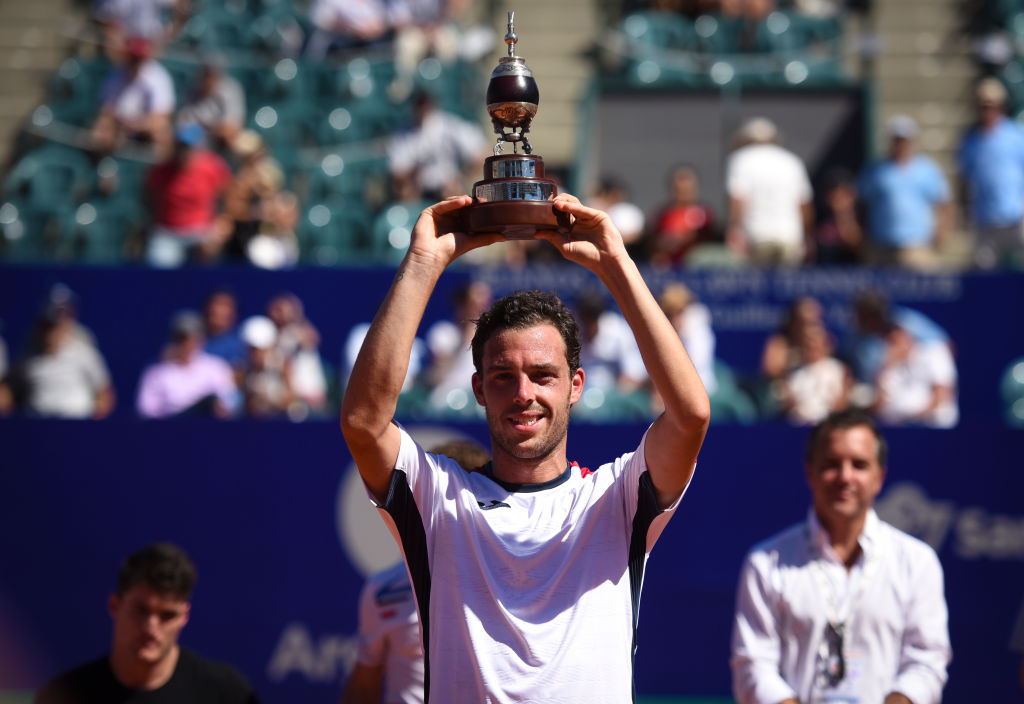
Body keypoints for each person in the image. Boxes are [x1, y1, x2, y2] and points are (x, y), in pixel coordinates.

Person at [339, 193, 711, 701]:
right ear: (477, 389)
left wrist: (616, 264)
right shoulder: (439, 499)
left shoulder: (615, 498)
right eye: (502, 376)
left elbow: (690, 416)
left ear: (576, 385)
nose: (523, 394)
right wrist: (424, 262)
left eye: (542, 375)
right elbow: (363, 423)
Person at [730, 409, 951, 704]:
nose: (845, 477)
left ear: (879, 477)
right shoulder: (766, 562)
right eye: (831, 464)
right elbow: (753, 666)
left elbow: (927, 662)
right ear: (810, 473)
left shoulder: (917, 562)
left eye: (859, 465)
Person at [340, 439, 489, 704]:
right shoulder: (384, 591)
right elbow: (364, 686)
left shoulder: (516, 583)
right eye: (444, 499)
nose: (456, 513)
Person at [34, 542, 260, 704]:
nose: (151, 627)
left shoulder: (226, 693)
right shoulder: (62, 696)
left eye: (167, 615)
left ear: (185, 616)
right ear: (115, 606)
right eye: (140, 610)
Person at [857, 115, 952, 271]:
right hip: (881, 246)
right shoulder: (874, 170)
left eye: (904, 140)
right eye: (897, 140)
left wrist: (942, 230)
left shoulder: (927, 170)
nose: (900, 145)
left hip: (916, 246)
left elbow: (945, 202)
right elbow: (862, 202)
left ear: (912, 141)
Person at [8, 287, 115, 419]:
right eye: (47, 325)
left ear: (66, 324)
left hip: (78, 426)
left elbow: (104, 394)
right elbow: (8, 391)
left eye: (55, 326)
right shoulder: (27, 356)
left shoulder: (84, 352)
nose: (51, 333)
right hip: (35, 427)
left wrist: (92, 423)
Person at [724, 117, 814, 266]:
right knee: (787, 280)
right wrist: (807, 235)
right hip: (790, 236)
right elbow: (804, 203)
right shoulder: (792, 161)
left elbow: (738, 199)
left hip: (756, 236)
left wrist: (734, 230)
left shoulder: (740, 159)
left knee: (758, 280)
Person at [143, 122, 233, 268]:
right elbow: (147, 198)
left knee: (207, 254)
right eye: (181, 146)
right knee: (159, 264)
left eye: (188, 147)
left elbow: (228, 197)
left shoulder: (213, 167)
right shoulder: (159, 171)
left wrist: (220, 225)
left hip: (201, 231)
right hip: (167, 233)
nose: (184, 151)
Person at [957, 77, 1024, 269]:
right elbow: (965, 178)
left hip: (1016, 216)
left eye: (991, 106)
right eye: (982, 106)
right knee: (984, 270)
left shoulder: (1016, 135)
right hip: (984, 218)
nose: (986, 111)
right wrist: (966, 211)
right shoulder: (969, 140)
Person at [136, 310, 239, 418]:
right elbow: (146, 412)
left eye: (192, 338)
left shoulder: (217, 367)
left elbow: (230, 403)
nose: (186, 343)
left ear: (201, 339)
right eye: (180, 338)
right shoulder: (155, 373)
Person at [90, 36, 175, 158]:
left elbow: (160, 117)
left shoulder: (158, 76)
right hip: (118, 125)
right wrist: (116, 124)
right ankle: (102, 165)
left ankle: (156, 168)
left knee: (161, 133)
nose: (135, 63)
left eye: (139, 60)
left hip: (145, 127)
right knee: (100, 130)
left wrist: (137, 125)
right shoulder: (116, 74)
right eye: (133, 58)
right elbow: (106, 110)